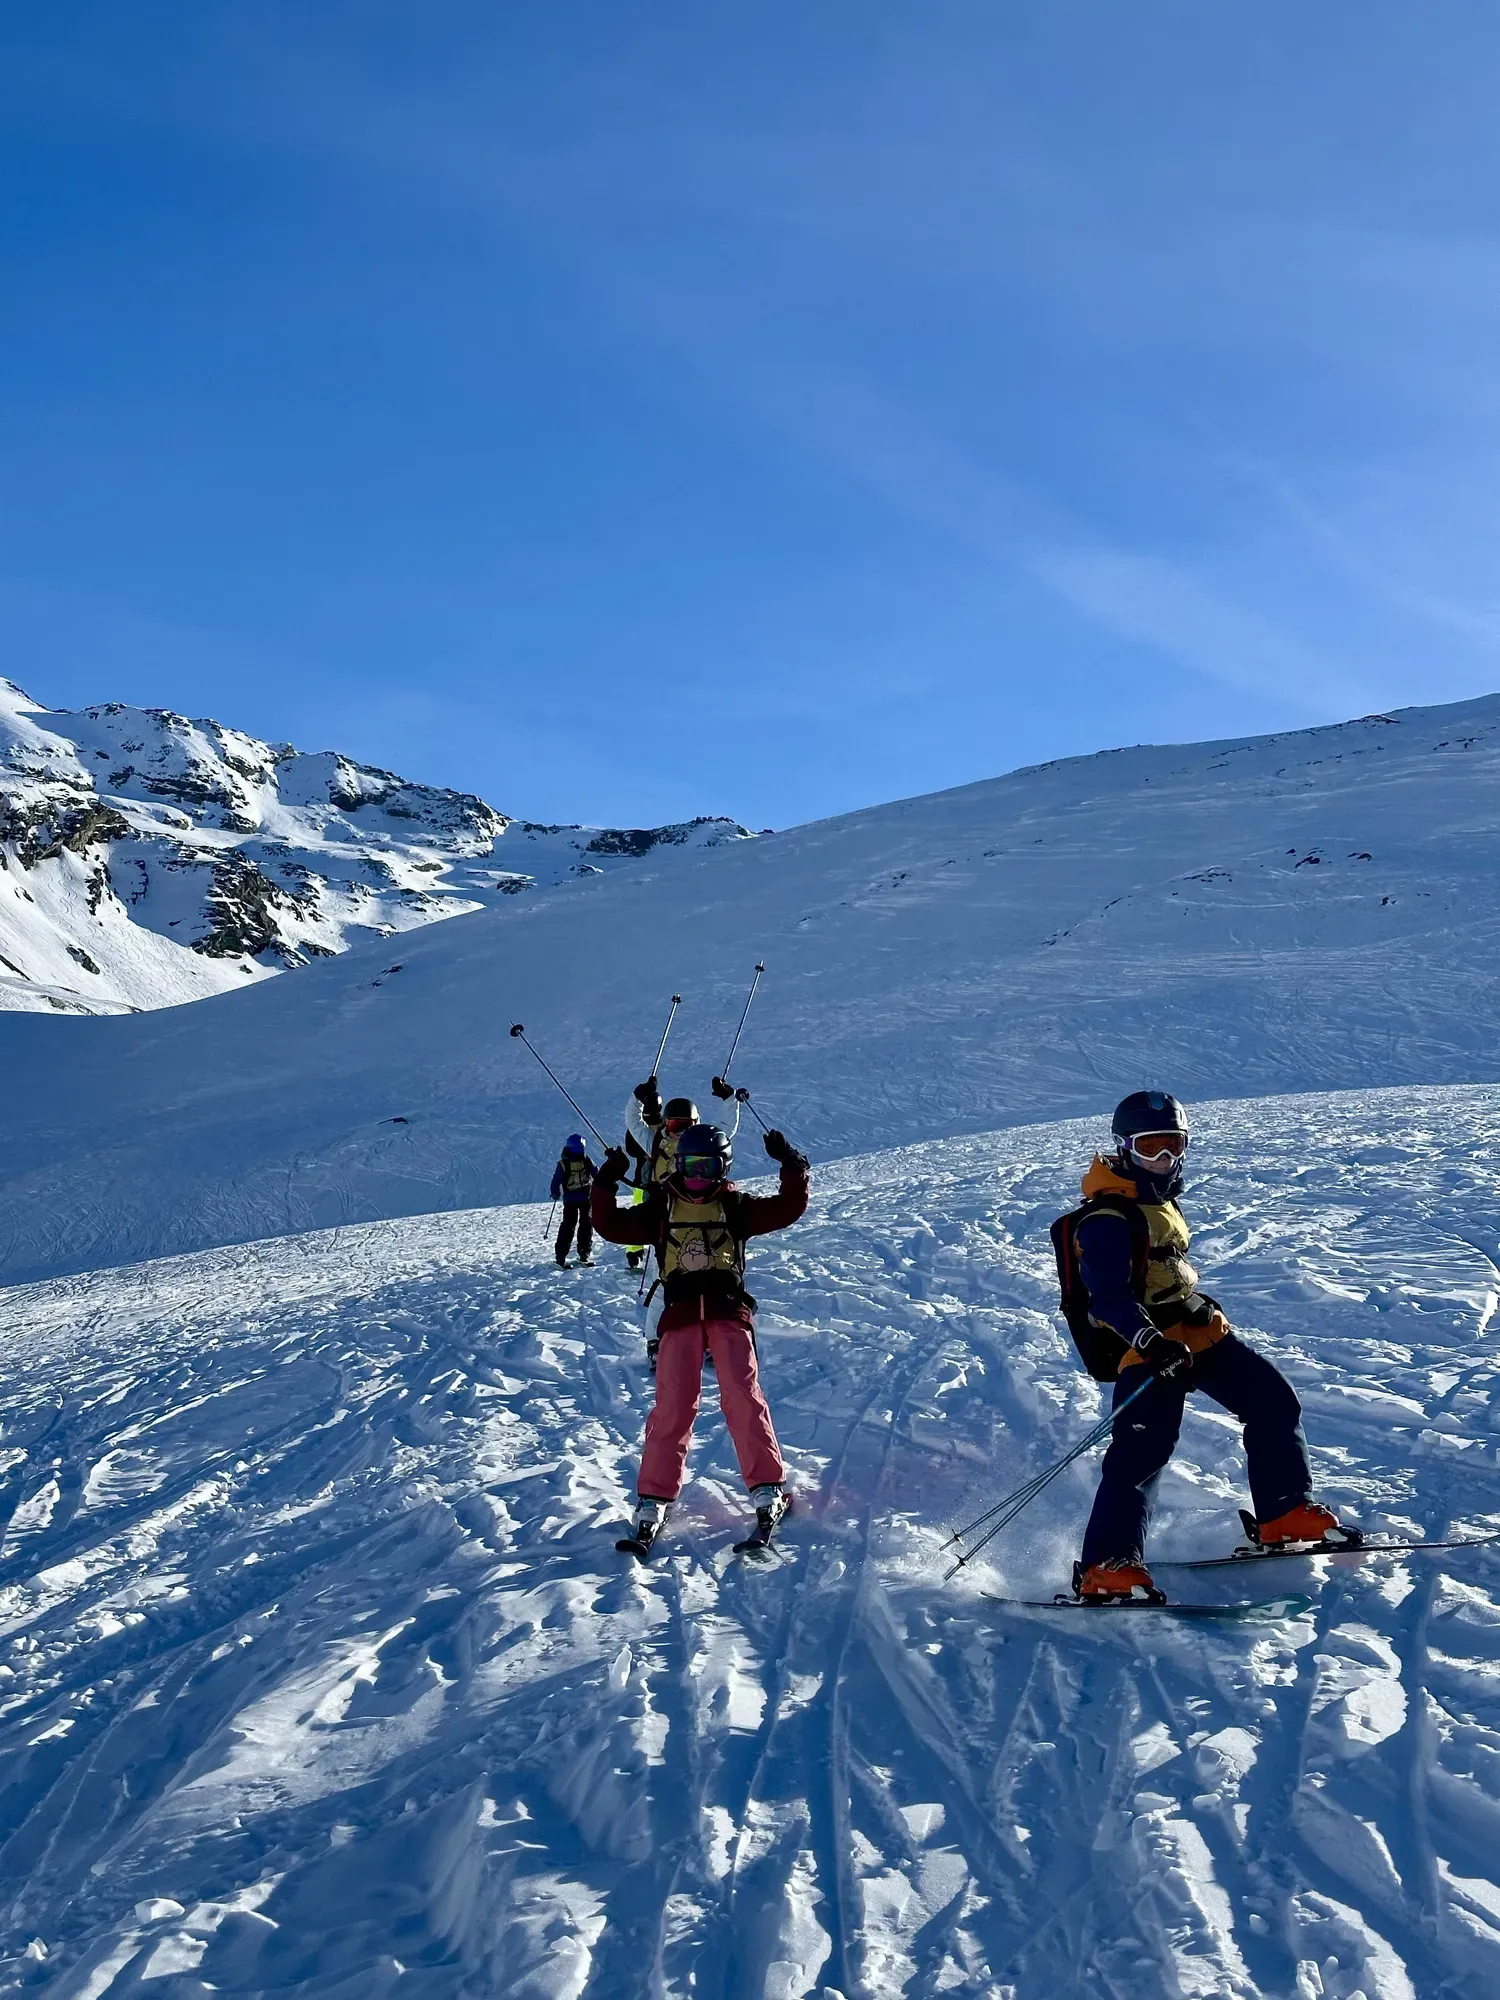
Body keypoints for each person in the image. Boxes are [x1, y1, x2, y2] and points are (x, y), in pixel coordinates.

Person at [1063, 1090, 1357, 1603]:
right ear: (1124, 1147)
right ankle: (1107, 1566)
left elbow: (1165, 1272)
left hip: (1194, 1334)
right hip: (1145, 1348)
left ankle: (1284, 1514)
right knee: (1142, 1452)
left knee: (1272, 1400)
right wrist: (1151, 1341)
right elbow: (1108, 1299)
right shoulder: (1106, 1218)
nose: (1164, 1158)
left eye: (1174, 1145)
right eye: (1150, 1146)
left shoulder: (1157, 1202)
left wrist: (1195, 1303)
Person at [592, 1120, 809, 1552]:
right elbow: (611, 1225)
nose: (696, 1176)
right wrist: (606, 1180)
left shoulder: (735, 1207)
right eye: (690, 1166)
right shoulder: (662, 1207)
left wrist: (791, 1164)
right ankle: (654, 1497)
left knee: (743, 1396)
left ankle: (767, 1486)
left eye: (706, 1167)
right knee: (673, 1405)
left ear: (722, 1167)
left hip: (728, 1313)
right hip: (679, 1318)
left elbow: (788, 1207)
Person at [550, 1134, 596, 1268]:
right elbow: (596, 1173)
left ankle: (562, 1256)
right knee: (584, 1225)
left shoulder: (564, 1163)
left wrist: (555, 1191)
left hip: (573, 1199)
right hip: (584, 1198)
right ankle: (583, 1253)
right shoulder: (586, 1160)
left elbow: (556, 1180)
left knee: (571, 1225)